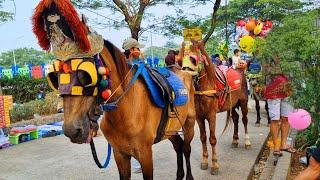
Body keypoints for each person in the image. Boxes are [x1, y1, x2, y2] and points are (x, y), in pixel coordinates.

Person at [264, 55, 296, 158]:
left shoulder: (290, 53)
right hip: (273, 91)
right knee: (275, 119)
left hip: (287, 89)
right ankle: (276, 146)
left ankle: (283, 144)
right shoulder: (267, 55)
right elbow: (264, 71)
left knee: (286, 118)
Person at [122, 38, 144, 174]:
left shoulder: (131, 64)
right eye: (138, 49)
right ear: (131, 50)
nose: (140, 51)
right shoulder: (129, 67)